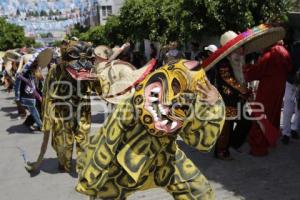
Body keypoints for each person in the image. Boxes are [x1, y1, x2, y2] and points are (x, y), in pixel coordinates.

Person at [76, 60, 225, 200]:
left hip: (166, 158)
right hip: (125, 165)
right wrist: (92, 175)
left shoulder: (184, 106)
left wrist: (213, 104)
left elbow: (202, 143)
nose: (175, 96)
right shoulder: (129, 105)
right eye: (175, 86)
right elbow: (107, 138)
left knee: (200, 193)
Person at [243, 40, 293, 156]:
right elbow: (290, 68)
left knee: (261, 114)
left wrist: (246, 69)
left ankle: (259, 145)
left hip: (267, 89)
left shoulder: (269, 55)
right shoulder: (285, 52)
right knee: (274, 114)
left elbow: (255, 73)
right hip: (279, 88)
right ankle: (271, 139)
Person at [214, 31, 252, 160]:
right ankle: (221, 151)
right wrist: (243, 90)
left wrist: (245, 90)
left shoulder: (236, 59)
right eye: (239, 46)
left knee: (246, 120)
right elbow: (228, 79)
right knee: (226, 126)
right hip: (226, 100)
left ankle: (232, 144)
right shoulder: (223, 61)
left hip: (236, 98)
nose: (242, 48)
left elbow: (240, 78)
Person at [282, 41, 300, 144]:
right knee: (289, 108)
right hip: (291, 81)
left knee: (295, 108)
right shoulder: (295, 48)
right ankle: (287, 132)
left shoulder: (295, 47)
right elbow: (289, 65)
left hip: (292, 80)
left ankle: (291, 130)